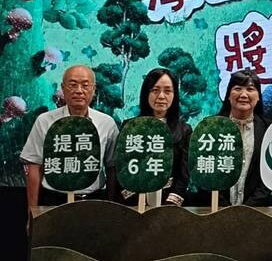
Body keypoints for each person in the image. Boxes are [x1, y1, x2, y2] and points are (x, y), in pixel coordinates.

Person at [21, 65, 119, 208]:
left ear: (94, 89)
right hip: (54, 200)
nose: (79, 91)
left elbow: (112, 166)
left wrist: (111, 206)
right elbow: (34, 165)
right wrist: (32, 211)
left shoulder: (107, 123)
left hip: (93, 201)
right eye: (73, 85)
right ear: (63, 88)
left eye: (85, 85)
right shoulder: (45, 121)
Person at [118, 68, 192, 207]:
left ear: (175, 95)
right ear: (146, 93)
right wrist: (135, 200)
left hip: (169, 202)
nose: (161, 96)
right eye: (155, 90)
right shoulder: (129, 127)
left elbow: (184, 173)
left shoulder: (184, 130)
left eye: (168, 91)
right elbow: (121, 169)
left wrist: (171, 203)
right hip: (135, 201)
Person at [217, 70, 271, 206]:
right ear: (228, 95)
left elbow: (269, 175)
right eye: (238, 88)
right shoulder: (212, 127)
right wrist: (223, 207)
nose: (243, 94)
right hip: (217, 208)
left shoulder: (268, 129)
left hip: (255, 210)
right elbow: (203, 171)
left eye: (250, 89)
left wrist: (248, 209)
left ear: (258, 97)